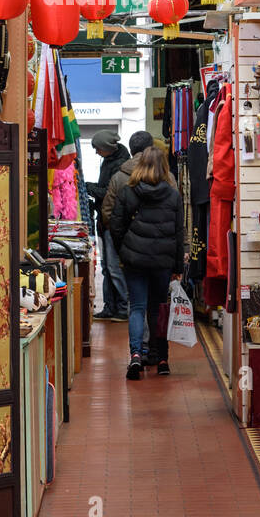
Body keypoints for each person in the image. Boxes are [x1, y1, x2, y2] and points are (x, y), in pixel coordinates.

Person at [109, 144, 184, 380]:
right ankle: (161, 358)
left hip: (135, 259)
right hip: (162, 260)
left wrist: (125, 250)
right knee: (158, 308)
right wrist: (177, 267)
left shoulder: (128, 192)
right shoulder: (173, 195)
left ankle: (135, 356)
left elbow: (116, 225)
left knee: (137, 307)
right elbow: (178, 232)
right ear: (163, 167)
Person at [86, 129, 129, 321]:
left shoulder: (120, 166)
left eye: (97, 149)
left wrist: (88, 187)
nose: (96, 152)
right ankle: (111, 307)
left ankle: (123, 306)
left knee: (112, 267)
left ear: (107, 148)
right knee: (106, 267)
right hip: (105, 221)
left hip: (112, 222)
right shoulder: (110, 162)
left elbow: (107, 193)